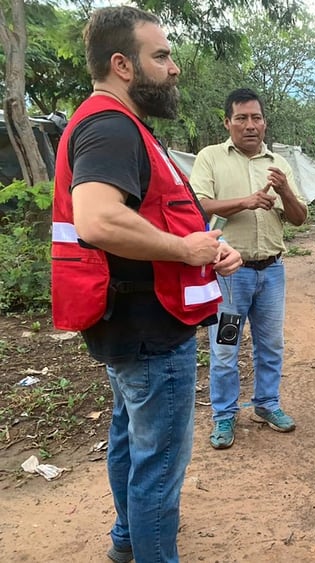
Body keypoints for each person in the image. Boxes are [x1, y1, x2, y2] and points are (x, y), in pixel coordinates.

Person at [50, 6, 242, 563]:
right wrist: (186, 250)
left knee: (130, 442)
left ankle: (126, 543)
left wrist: (204, 249)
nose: (174, 67)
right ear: (122, 65)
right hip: (151, 329)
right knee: (157, 465)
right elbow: (99, 219)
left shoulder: (118, 125)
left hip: (132, 323)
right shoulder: (111, 126)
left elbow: (158, 215)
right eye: (161, 55)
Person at [190, 88, 308, 449]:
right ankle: (224, 416)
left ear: (264, 122)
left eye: (256, 117)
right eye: (241, 118)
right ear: (228, 123)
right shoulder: (211, 157)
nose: (250, 125)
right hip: (228, 274)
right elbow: (199, 205)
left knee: (270, 344)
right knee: (225, 345)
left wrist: (285, 190)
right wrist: (246, 201)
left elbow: (300, 218)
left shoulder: (279, 165)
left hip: (271, 271)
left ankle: (267, 405)